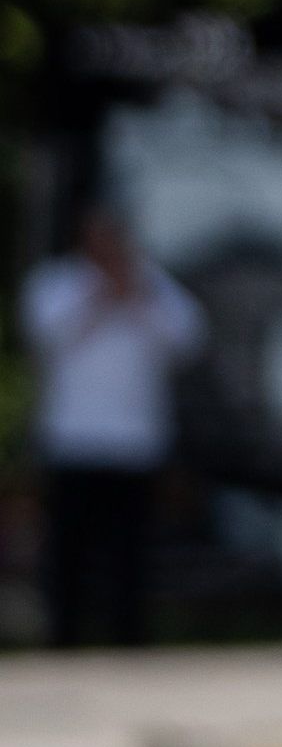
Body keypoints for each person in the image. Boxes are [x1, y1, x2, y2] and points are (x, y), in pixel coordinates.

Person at [23, 204, 208, 649]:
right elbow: (45, 336)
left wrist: (135, 294)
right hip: (72, 439)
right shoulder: (58, 284)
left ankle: (130, 639)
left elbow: (187, 339)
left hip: (135, 441)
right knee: (69, 551)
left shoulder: (151, 283)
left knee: (131, 551)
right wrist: (100, 298)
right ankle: (63, 638)